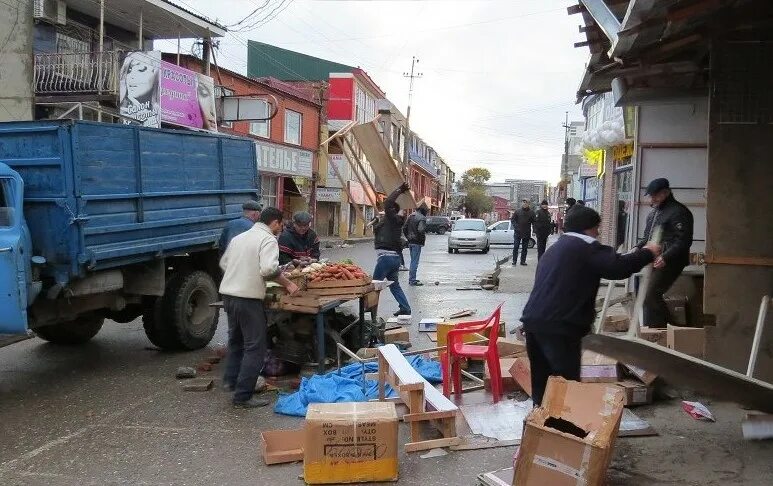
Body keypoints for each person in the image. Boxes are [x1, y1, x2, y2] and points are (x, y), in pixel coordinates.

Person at [520, 206, 661, 406]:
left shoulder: (555, 249)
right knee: (565, 384)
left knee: (543, 381)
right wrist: (648, 252)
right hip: (560, 326)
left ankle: (540, 425)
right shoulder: (586, 248)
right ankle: (562, 430)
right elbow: (617, 267)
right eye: (597, 228)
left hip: (534, 321)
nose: (598, 232)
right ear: (588, 228)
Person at [219, 207, 299, 408]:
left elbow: (224, 263)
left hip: (229, 295)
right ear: (275, 223)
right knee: (255, 347)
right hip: (248, 298)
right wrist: (288, 284)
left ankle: (231, 381)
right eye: (280, 224)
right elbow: (269, 269)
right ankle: (243, 396)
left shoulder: (240, 238)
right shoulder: (268, 239)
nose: (280, 229)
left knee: (236, 340)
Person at [636, 178, 694, 328]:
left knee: (650, 295)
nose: (652, 199)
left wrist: (666, 256)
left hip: (671, 260)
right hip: (654, 259)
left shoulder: (679, 212)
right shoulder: (654, 213)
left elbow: (683, 241)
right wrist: (637, 248)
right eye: (651, 196)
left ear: (666, 193)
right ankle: (653, 330)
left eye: (655, 195)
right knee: (645, 296)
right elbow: (647, 237)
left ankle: (670, 329)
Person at [373, 182, 412, 316]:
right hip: (394, 259)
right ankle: (405, 308)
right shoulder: (392, 222)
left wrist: (399, 189)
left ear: (391, 211)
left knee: (374, 286)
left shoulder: (392, 218)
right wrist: (377, 223)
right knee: (394, 285)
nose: (384, 212)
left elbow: (389, 202)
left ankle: (369, 314)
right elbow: (380, 236)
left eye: (386, 211)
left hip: (386, 258)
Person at [404, 202, 429, 286]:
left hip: (410, 241)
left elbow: (404, 228)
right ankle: (412, 280)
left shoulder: (410, 216)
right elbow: (421, 230)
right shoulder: (422, 218)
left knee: (413, 261)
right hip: (417, 242)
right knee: (414, 262)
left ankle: (412, 279)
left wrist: (408, 237)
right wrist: (422, 241)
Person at [511, 199, 535, 266]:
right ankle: (514, 261)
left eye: (526, 202)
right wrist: (516, 227)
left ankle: (523, 261)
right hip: (518, 232)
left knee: (524, 248)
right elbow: (513, 220)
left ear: (528, 204)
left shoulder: (531, 213)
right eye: (523, 202)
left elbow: (534, 222)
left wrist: (534, 231)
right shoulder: (517, 211)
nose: (524, 204)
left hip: (526, 232)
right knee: (516, 247)